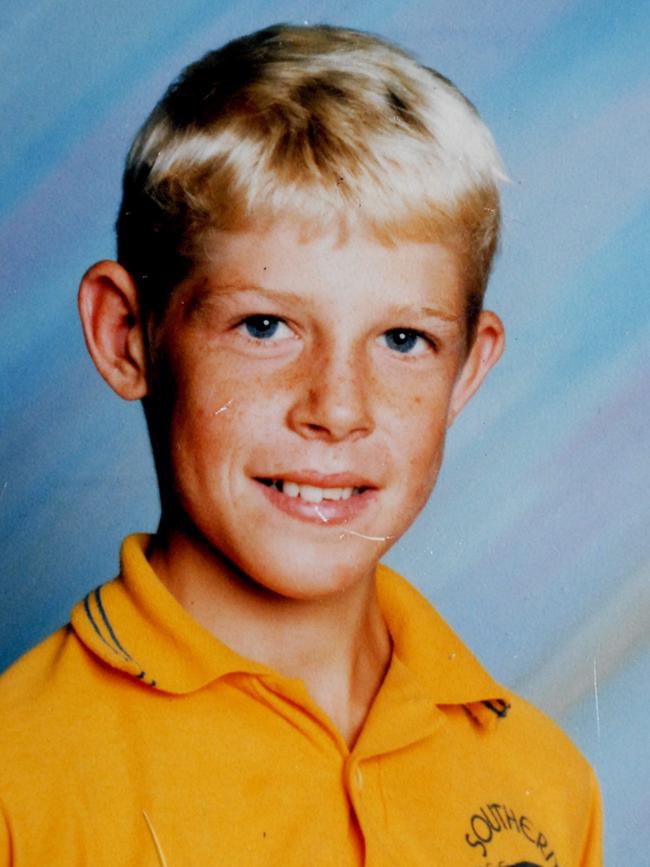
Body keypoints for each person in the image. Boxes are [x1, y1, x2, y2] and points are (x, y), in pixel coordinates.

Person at [0, 24, 601, 866]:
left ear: (468, 368)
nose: (337, 408)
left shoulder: (544, 780)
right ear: (125, 333)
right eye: (265, 325)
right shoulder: (20, 780)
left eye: (402, 340)